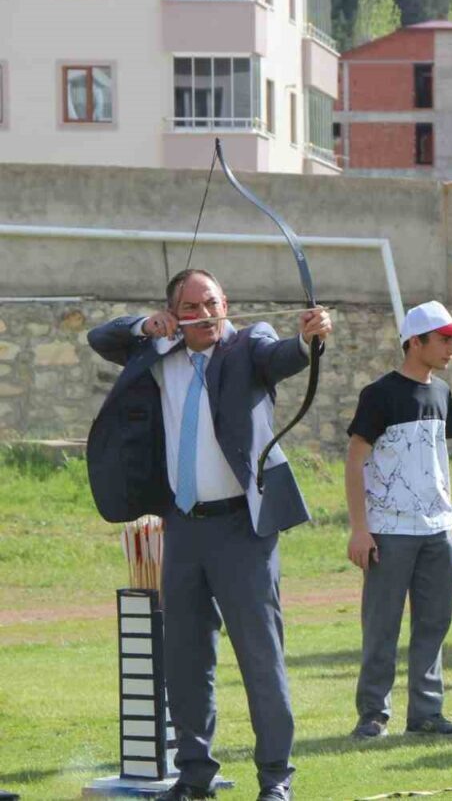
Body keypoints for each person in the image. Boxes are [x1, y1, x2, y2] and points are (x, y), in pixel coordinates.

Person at [87, 268, 332, 801]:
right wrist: (142, 326)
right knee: (185, 657)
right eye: (192, 307)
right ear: (173, 314)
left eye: (213, 303)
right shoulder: (158, 354)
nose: (206, 315)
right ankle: (194, 775)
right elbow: (100, 338)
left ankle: (275, 779)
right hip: (182, 528)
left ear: (229, 304)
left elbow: (282, 355)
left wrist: (308, 338)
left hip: (242, 529)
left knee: (260, 657)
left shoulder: (248, 345)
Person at [345, 301, 452, 740]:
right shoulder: (378, 395)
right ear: (414, 341)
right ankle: (372, 715)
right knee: (381, 625)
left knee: (434, 624)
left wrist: (449, 515)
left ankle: (426, 714)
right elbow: (355, 462)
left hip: (438, 530)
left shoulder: (442, 394)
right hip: (389, 530)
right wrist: (360, 529)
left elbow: (438, 462)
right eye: (443, 340)